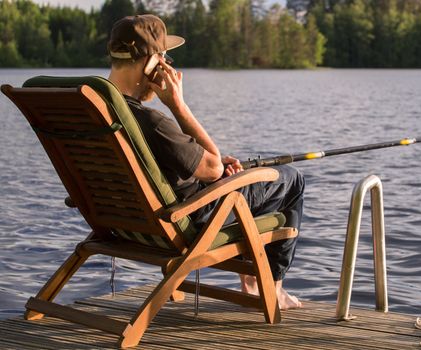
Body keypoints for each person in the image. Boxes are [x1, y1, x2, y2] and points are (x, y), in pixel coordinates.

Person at [107, 14, 304, 309]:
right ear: (152, 63)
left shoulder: (97, 109)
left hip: (119, 220)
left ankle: (251, 280)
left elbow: (192, 165)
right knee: (289, 179)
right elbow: (212, 170)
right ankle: (269, 287)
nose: (168, 66)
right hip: (188, 218)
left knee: (236, 179)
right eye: (164, 57)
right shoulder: (149, 120)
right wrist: (178, 105)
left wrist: (208, 164)